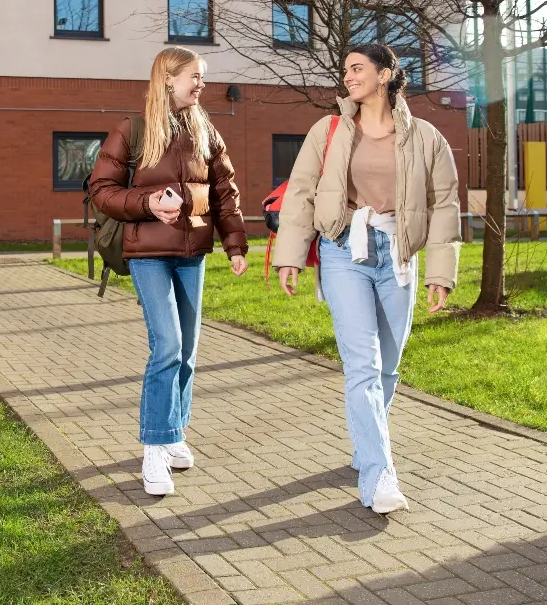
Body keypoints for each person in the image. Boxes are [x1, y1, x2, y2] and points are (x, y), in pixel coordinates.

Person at [272, 43, 460, 514]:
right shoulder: (330, 129)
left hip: (397, 254)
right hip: (343, 250)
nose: (349, 76)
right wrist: (290, 255)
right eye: (345, 70)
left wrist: (441, 272)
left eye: (357, 68)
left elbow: (444, 206)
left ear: (384, 75)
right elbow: (301, 191)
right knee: (362, 366)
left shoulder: (426, 137)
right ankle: (380, 476)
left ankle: (366, 443)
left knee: (389, 367)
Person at [89, 46, 249, 496]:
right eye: (194, 76)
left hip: (191, 254)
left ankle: (175, 432)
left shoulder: (206, 131)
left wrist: (234, 244)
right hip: (148, 254)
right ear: (167, 80)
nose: (201, 84)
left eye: (203, 77)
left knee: (189, 352)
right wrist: (147, 202)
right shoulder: (133, 131)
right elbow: (101, 190)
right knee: (168, 347)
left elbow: (225, 193)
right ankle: (154, 448)